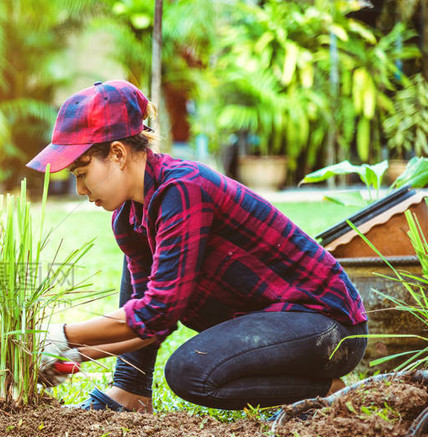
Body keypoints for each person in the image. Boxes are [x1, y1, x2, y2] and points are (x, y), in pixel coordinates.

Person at [31, 80, 367, 413]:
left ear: (118, 154)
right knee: (143, 285)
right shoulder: (129, 216)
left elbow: (156, 311)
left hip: (326, 326)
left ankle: (328, 392)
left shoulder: (183, 190)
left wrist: (61, 336)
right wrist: (69, 353)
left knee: (191, 371)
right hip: (264, 328)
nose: (79, 189)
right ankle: (130, 391)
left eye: (82, 171)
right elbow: (151, 323)